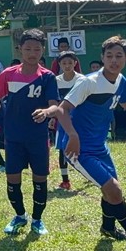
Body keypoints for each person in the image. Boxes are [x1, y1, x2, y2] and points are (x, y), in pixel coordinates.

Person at [34, 36, 126, 251]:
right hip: (78, 150)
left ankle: (108, 227)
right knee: (114, 189)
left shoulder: (120, 81)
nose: (113, 60)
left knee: (109, 189)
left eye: (119, 56)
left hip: (100, 146)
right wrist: (72, 135)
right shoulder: (88, 82)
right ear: (102, 58)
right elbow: (63, 109)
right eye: (109, 56)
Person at [0, 29, 59, 236]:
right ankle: (20, 216)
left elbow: (54, 106)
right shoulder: (8, 74)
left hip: (38, 137)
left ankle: (37, 220)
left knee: (39, 179)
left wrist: (47, 112)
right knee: (13, 178)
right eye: (28, 48)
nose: (32, 53)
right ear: (20, 50)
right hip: (13, 137)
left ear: (43, 50)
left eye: (37, 49)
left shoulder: (47, 77)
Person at [53, 51, 83, 189]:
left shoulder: (81, 80)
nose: (67, 65)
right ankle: (65, 180)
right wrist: (54, 117)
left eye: (70, 63)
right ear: (59, 64)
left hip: (79, 119)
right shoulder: (56, 81)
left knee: (84, 147)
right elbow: (55, 102)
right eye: (64, 63)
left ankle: (90, 173)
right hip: (63, 120)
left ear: (75, 63)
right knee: (62, 149)